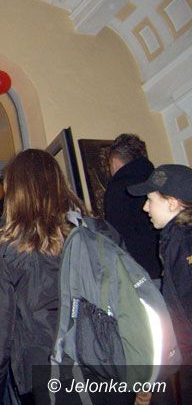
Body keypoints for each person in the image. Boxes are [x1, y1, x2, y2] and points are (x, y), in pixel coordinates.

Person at [0, 149, 86, 404]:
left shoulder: (4, 247)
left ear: (15, 191)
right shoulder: (94, 232)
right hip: (100, 362)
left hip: (43, 368)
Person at [128, 164, 192, 404]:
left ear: (172, 203)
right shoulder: (176, 239)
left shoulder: (183, 244)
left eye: (150, 200)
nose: (145, 207)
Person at [104, 134, 162, 279]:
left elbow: (116, 234)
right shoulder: (159, 179)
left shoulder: (117, 188)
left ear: (115, 161)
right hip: (169, 262)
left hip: (141, 271)